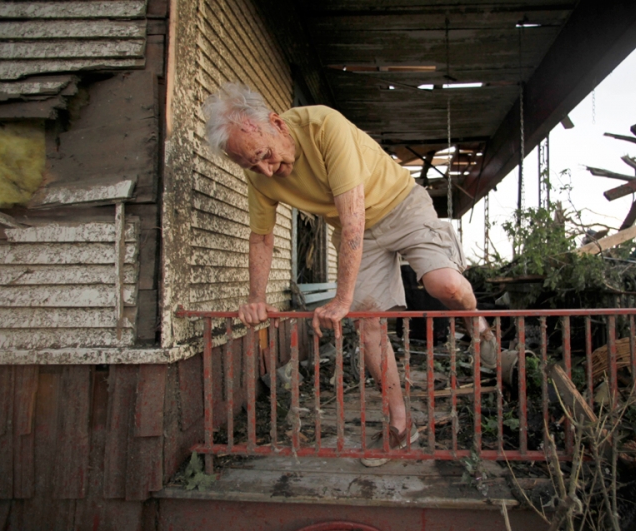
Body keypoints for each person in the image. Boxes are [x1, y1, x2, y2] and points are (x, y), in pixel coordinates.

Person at [203, 83, 498, 466]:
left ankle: (477, 324)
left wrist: (341, 299)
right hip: (359, 232)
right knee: (369, 322)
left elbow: (352, 217)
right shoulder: (258, 171)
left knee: (447, 287)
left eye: (264, 157)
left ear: (276, 123)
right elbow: (261, 237)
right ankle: (402, 425)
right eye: (249, 165)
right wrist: (256, 298)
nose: (263, 170)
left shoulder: (325, 125)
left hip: (401, 206)